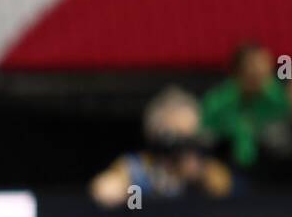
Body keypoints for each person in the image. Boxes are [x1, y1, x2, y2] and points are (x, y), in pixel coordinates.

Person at [90, 87, 233, 207]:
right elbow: (105, 189)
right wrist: (133, 191)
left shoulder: (204, 170)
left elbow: (223, 187)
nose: (187, 149)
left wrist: (197, 176)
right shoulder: (137, 169)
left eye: (192, 140)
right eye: (179, 139)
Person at [200, 41, 290, 168]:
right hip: (226, 168)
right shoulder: (217, 103)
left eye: (263, 66)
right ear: (237, 71)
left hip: (275, 169)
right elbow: (204, 139)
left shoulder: (283, 101)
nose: (258, 71)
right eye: (252, 67)